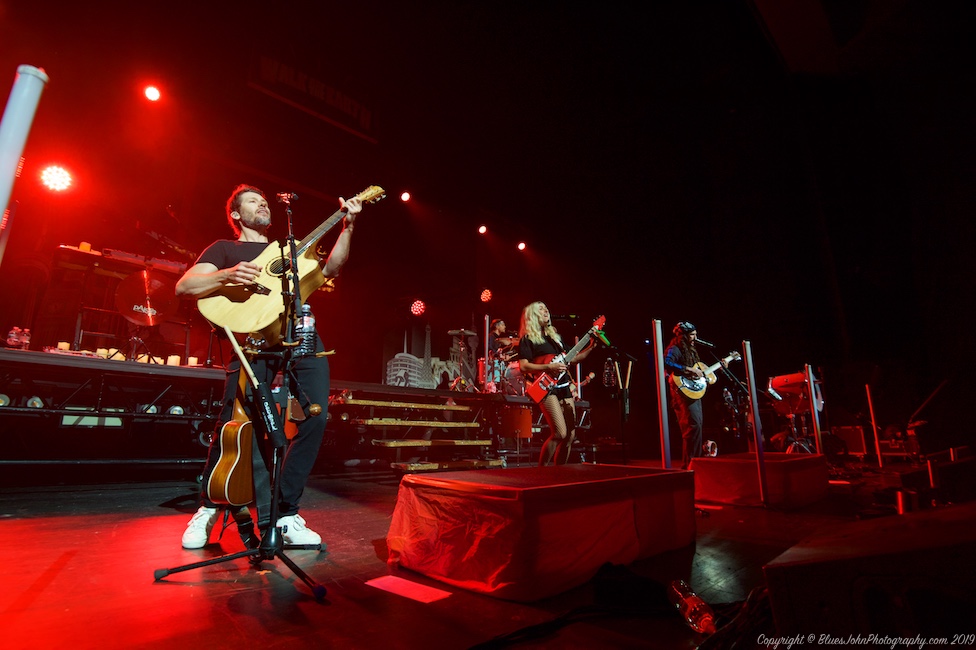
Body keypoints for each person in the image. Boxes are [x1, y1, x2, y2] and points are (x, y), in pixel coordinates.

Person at [175, 184, 362, 549]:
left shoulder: (288, 248)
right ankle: (209, 507)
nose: (262, 204)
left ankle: (285, 513)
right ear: (235, 215)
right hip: (251, 341)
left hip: (298, 334)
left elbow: (331, 269)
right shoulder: (225, 249)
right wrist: (226, 275)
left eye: (264, 201)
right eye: (252, 201)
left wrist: (349, 226)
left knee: (317, 415)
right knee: (235, 420)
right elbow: (185, 286)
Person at [517, 302, 596, 466]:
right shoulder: (528, 340)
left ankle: (560, 472)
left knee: (570, 436)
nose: (546, 310)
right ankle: (542, 470)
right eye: (541, 309)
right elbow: (523, 366)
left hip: (564, 386)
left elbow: (574, 359)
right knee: (560, 433)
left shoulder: (556, 339)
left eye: (546, 308)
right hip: (546, 389)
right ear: (532, 315)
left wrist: (591, 346)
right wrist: (548, 366)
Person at [664, 321, 725, 469]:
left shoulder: (690, 351)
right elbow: (666, 362)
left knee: (696, 427)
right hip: (682, 394)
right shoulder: (675, 348)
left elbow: (702, 374)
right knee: (692, 427)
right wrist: (688, 369)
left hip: (693, 393)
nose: (695, 337)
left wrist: (720, 366)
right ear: (683, 336)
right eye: (692, 334)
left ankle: (694, 462)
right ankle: (689, 464)